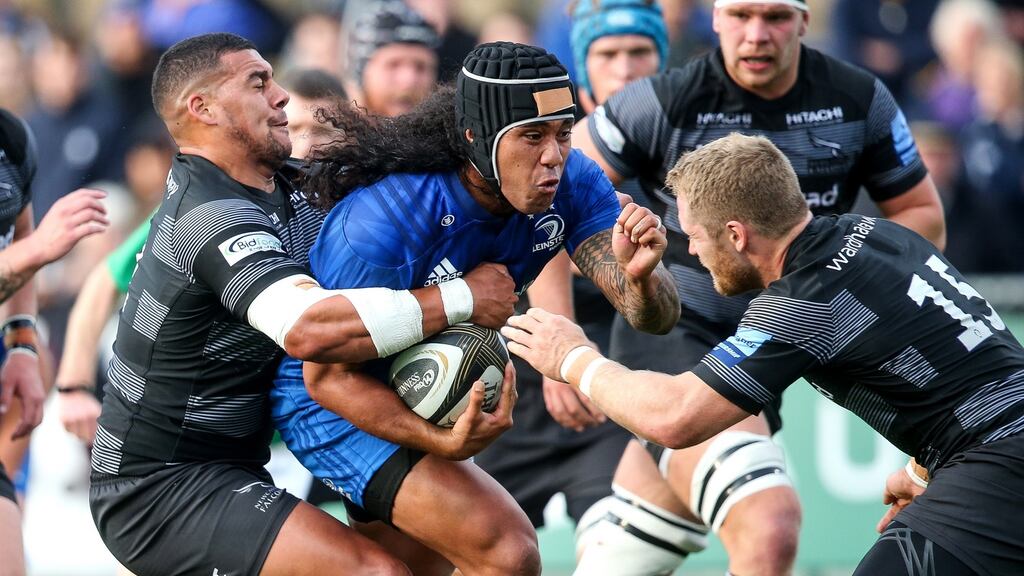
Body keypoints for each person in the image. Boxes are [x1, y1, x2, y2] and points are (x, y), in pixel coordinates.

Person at [89, 32, 519, 576]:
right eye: (258, 83)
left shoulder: (294, 185)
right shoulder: (206, 219)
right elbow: (310, 329)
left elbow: (416, 172)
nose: (282, 97)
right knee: (376, 573)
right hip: (158, 489)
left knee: (494, 554)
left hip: (246, 462)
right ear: (203, 108)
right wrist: (463, 298)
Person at [504, 132, 1024, 576]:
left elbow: (677, 417)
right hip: (989, 455)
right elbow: (974, 373)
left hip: (997, 468)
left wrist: (573, 358)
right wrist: (922, 470)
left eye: (696, 237)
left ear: (736, 234)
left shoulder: (803, 300)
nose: (694, 252)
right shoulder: (875, 234)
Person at [271, 41, 680, 575]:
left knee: (424, 570)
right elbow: (326, 378)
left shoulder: (574, 181)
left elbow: (654, 318)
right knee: (508, 552)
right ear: (475, 137)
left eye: (563, 133)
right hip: (332, 404)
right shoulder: (385, 219)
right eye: (531, 136)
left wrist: (642, 277)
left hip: (425, 388)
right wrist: (441, 441)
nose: (553, 155)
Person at [570, 1, 948, 573]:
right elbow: (556, 193)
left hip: (779, 341)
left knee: (628, 549)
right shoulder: (661, 101)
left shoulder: (857, 98)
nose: (756, 34)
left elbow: (923, 215)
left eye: (775, 17)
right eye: (741, 15)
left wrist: (849, 278)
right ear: (715, 18)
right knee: (768, 525)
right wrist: (600, 300)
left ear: (804, 20)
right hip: (679, 331)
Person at [473, 0, 684, 565]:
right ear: (582, 70)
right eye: (607, 54)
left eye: (640, 52)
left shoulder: (681, 151)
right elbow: (545, 240)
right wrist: (561, 358)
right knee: (483, 555)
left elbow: (662, 308)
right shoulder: (550, 153)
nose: (625, 68)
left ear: (662, 61)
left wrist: (642, 281)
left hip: (611, 390)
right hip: (523, 377)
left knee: (614, 552)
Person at [0, 108, 110, 576]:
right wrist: (39, 248)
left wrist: (22, 343)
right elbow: (29, 248)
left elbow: (19, 236)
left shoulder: (10, 138)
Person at [343, 0, 440, 117]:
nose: (408, 80)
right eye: (393, 65)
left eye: (421, 67)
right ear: (362, 72)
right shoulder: (330, 126)